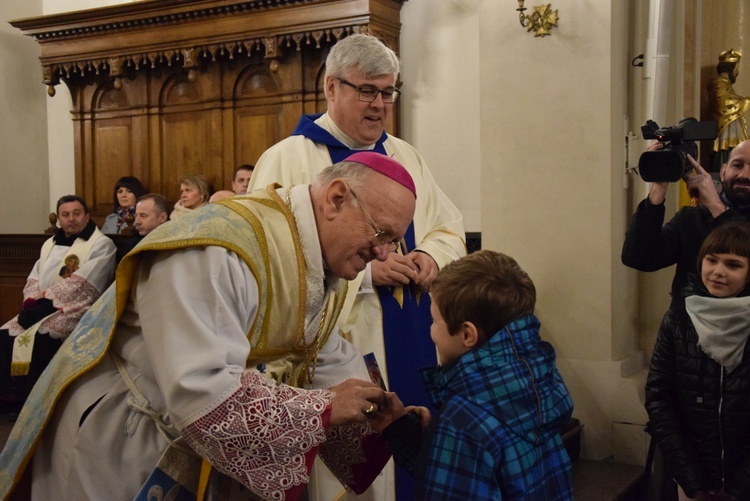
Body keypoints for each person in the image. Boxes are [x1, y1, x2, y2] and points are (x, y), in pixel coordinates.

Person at [0, 152, 421, 500]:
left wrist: (378, 415)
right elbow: (201, 397)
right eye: (382, 232)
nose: (385, 254)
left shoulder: (317, 259)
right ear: (336, 198)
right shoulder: (218, 247)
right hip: (129, 442)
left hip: (206, 452)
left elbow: (320, 356)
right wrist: (324, 408)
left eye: (395, 241)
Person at [248, 33, 466, 499]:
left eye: (388, 92)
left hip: (414, 334)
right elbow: (270, 265)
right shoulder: (287, 159)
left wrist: (430, 256)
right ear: (331, 87)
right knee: (360, 479)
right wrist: (366, 274)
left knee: (413, 458)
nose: (380, 104)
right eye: (367, 90)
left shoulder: (405, 156)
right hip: (344, 344)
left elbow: (449, 227)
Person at [369, 249, 574, 500]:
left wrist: (446, 436)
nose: (430, 331)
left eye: (434, 320)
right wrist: (403, 432)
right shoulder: (537, 382)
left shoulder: (463, 420)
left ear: (467, 334)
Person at [646, 221, 750, 501]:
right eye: (711, 260)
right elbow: (660, 399)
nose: (717, 271)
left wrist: (740, 489)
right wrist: (693, 481)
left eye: (733, 264)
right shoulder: (678, 321)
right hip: (694, 478)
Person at [0, 195, 116, 411]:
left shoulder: (101, 245)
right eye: (65, 215)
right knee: (5, 333)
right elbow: (34, 277)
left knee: (43, 337)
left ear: (87, 216)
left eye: (76, 213)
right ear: (59, 219)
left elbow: (83, 284)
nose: (71, 219)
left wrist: (46, 305)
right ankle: (11, 400)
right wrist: (31, 303)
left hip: (77, 308)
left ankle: (35, 405)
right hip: (40, 308)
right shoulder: (49, 245)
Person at [622, 140, 750, 311]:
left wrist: (717, 208)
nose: (745, 175)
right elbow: (638, 257)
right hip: (683, 333)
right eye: (738, 165)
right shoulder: (692, 218)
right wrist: (657, 190)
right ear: (723, 171)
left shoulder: (715, 209)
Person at [708, 49, 750, 171]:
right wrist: (746, 101)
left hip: (732, 133)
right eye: (736, 68)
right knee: (727, 158)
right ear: (731, 68)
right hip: (725, 134)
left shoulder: (725, 85)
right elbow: (725, 103)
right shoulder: (719, 84)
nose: (737, 72)